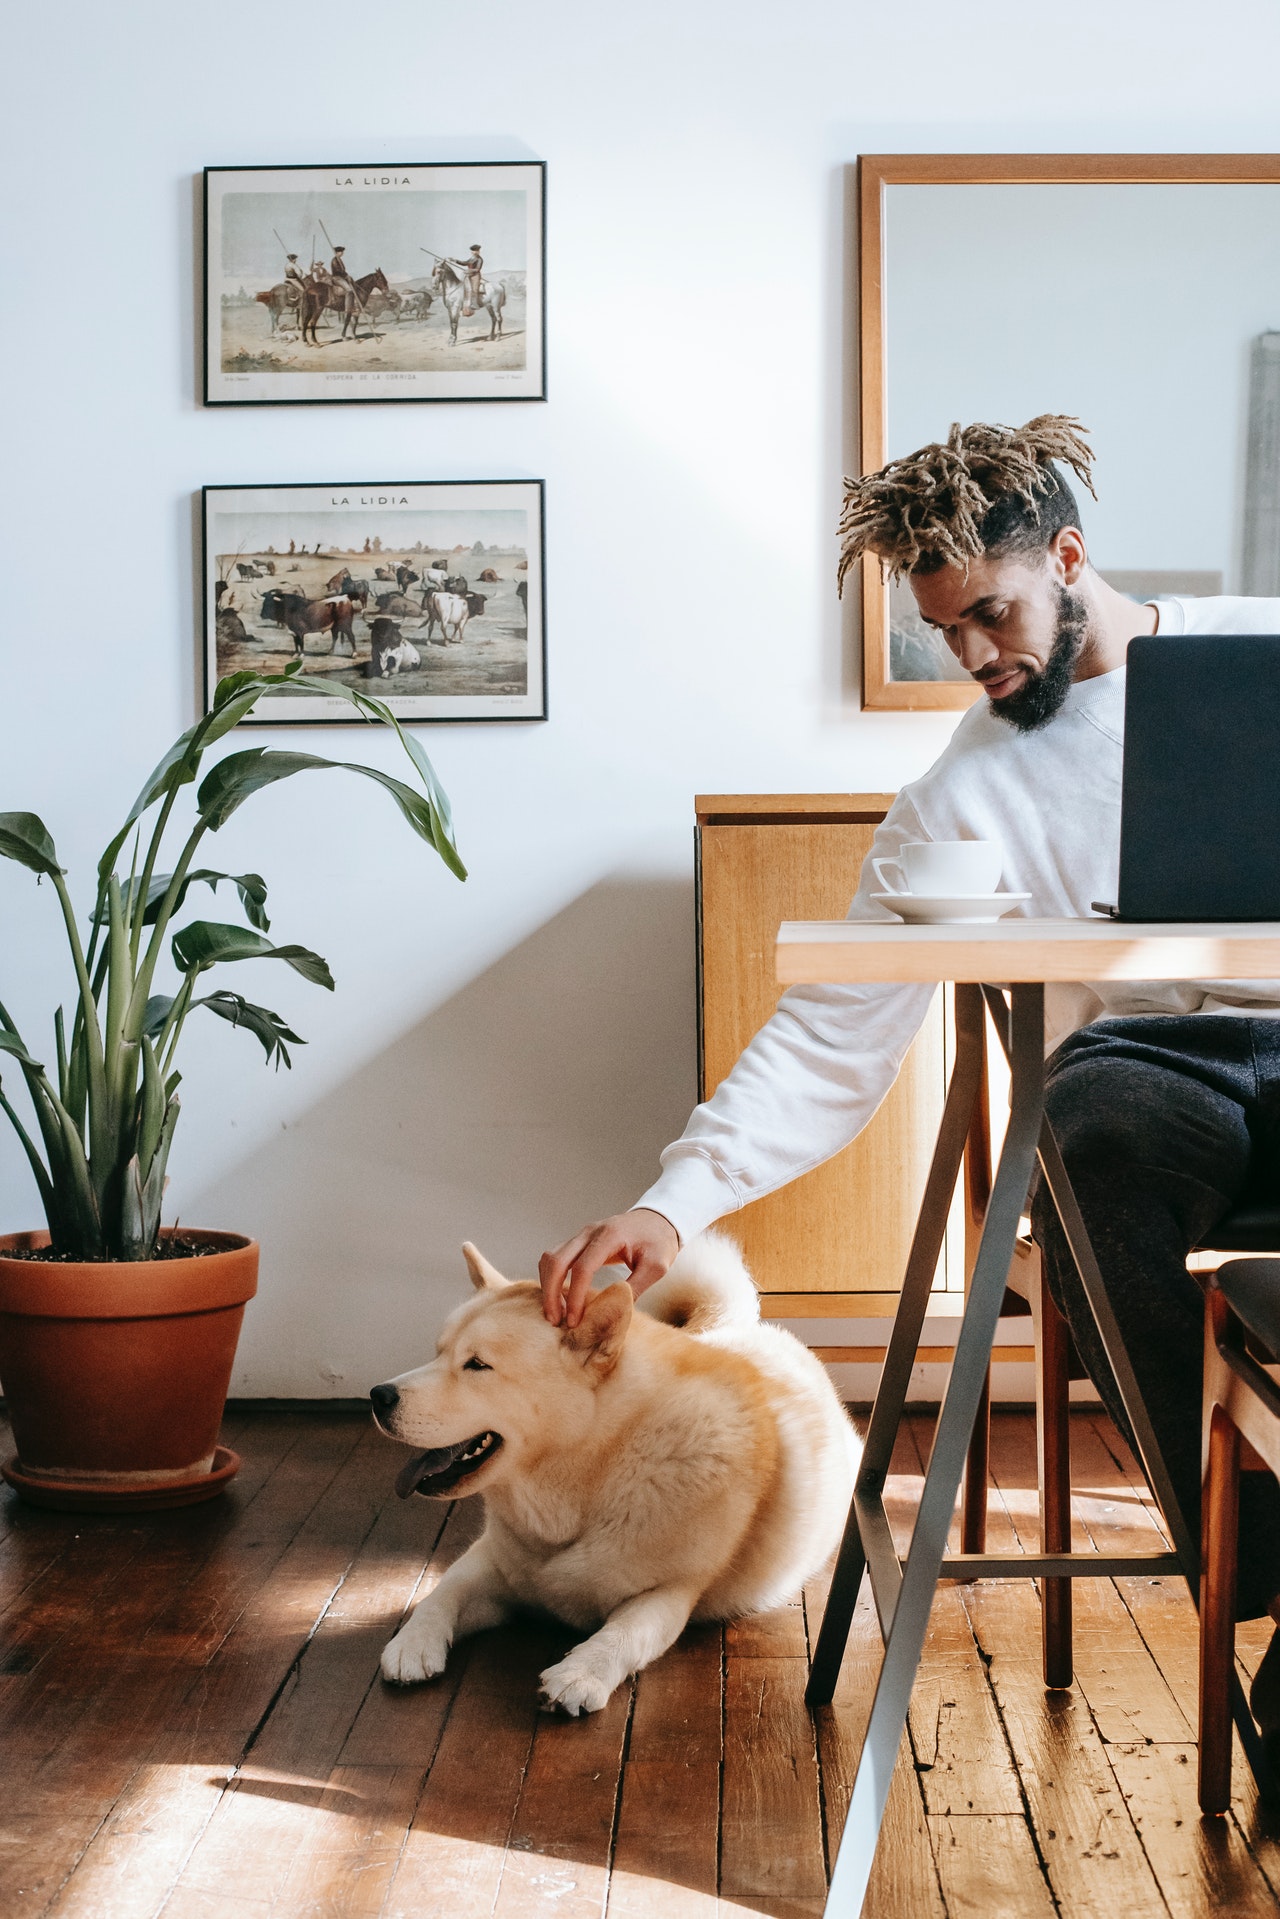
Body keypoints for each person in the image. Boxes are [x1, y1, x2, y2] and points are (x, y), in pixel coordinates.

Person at [538, 412, 1280, 1753]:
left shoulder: (1261, 648)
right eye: (948, 634)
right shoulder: (958, 797)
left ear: (1068, 556)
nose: (976, 658)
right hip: (1155, 1074)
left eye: (991, 615)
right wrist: (671, 1203)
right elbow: (832, 1036)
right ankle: (1265, 1555)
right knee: (1086, 1136)